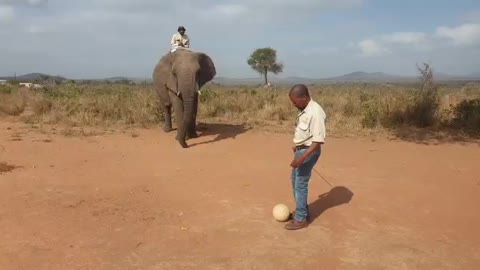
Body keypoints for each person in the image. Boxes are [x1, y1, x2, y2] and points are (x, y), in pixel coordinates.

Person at [285, 84, 327, 230]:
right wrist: (298, 145)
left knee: (300, 183)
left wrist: (302, 158)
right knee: (295, 180)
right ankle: (302, 210)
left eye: (296, 102)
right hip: (302, 150)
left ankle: (301, 218)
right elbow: (306, 133)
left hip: (309, 152)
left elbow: (318, 141)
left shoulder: (316, 112)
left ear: (304, 97)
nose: (295, 105)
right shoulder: (305, 110)